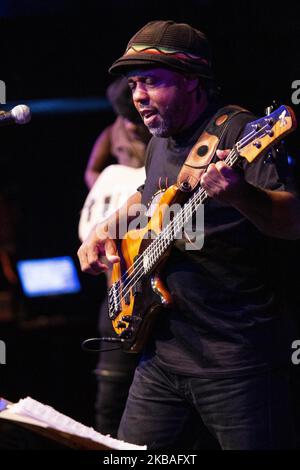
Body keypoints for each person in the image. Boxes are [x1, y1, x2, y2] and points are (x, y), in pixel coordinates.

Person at [77, 20, 300, 449]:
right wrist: (106, 229)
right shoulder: (161, 138)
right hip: (162, 356)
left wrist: (240, 195)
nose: (138, 96)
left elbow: (291, 222)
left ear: (193, 82)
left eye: (152, 82)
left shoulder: (239, 133)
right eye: (134, 83)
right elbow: (147, 194)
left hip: (237, 361)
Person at [79, 78, 150, 437]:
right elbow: (93, 170)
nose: (134, 126)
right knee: (111, 388)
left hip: (151, 239)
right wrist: (113, 188)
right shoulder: (114, 131)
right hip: (120, 266)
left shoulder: (162, 136)